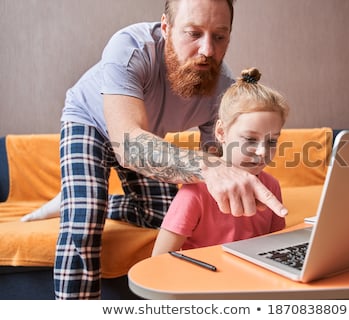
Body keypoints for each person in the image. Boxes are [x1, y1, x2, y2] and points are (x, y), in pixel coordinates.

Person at [22, 0, 287, 300]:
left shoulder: (221, 87)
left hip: (146, 136)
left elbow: (217, 172)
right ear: (166, 27)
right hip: (94, 126)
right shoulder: (130, 49)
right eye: (193, 33)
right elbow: (129, 146)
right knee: (83, 222)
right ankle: (81, 202)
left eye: (219, 36)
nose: (207, 51)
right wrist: (211, 169)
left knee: (165, 213)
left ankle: (98, 200)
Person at [152, 67, 289, 256]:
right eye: (250, 139)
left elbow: (277, 247)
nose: (262, 151)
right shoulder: (195, 192)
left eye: (272, 140)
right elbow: (159, 259)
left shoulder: (271, 186)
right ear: (221, 132)